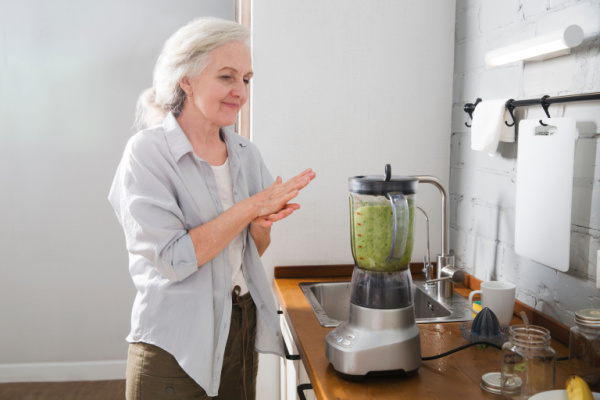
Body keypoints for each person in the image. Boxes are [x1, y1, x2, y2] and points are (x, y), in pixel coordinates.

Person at [108, 17, 316, 399]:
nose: (240, 91)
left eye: (247, 79)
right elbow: (173, 259)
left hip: (240, 327)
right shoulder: (148, 154)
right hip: (174, 342)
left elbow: (245, 254)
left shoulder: (245, 154)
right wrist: (250, 207)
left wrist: (261, 226)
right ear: (186, 80)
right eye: (226, 77)